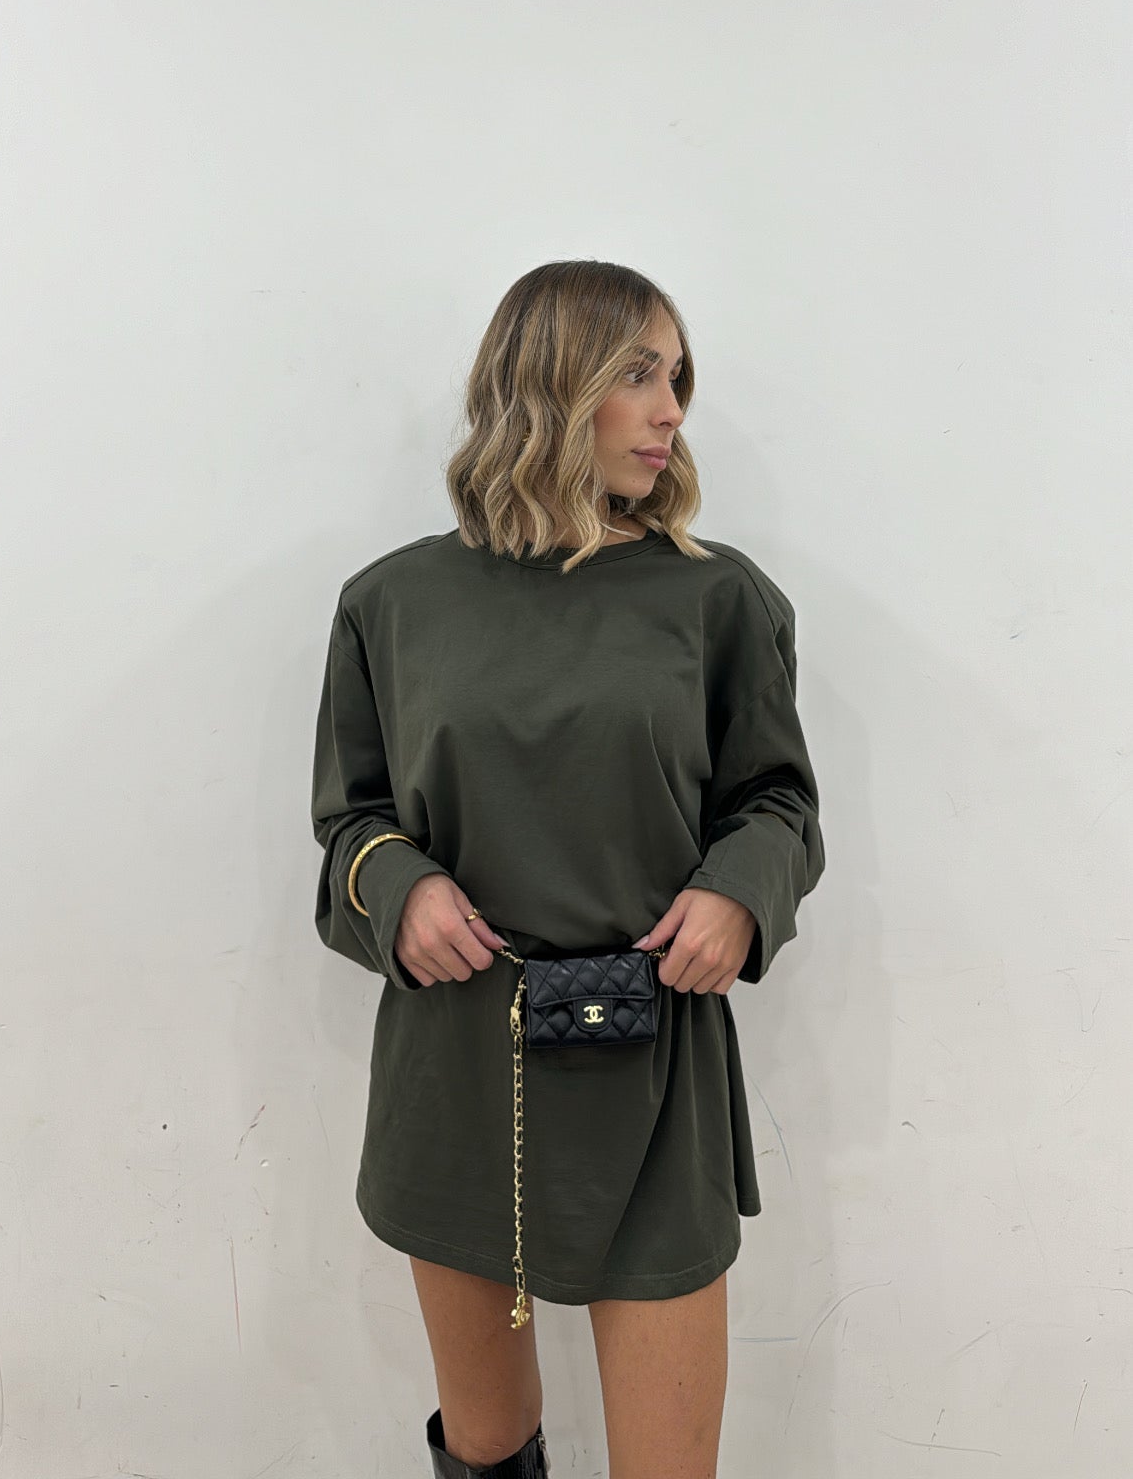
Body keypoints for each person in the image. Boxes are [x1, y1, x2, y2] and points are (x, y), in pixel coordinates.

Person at [311, 258, 826, 1479]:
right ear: (550, 382)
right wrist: (400, 888)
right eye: (639, 372)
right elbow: (350, 824)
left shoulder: (718, 599)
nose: (671, 409)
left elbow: (779, 803)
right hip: (459, 1065)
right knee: (487, 1449)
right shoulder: (393, 601)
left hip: (653, 1067)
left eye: (678, 376)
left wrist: (738, 891)